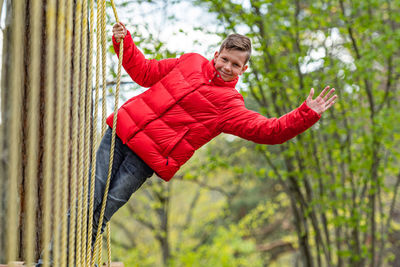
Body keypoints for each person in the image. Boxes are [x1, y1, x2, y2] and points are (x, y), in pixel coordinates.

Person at [37, 22, 337, 266]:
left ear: (243, 70)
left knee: (103, 213)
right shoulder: (190, 62)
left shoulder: (230, 105)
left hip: (145, 160)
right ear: (216, 53)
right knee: (88, 202)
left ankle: (64, 262)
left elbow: (269, 131)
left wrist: (306, 114)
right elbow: (144, 72)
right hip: (120, 133)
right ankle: (47, 263)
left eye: (236, 64)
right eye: (225, 59)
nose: (227, 67)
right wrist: (124, 42)